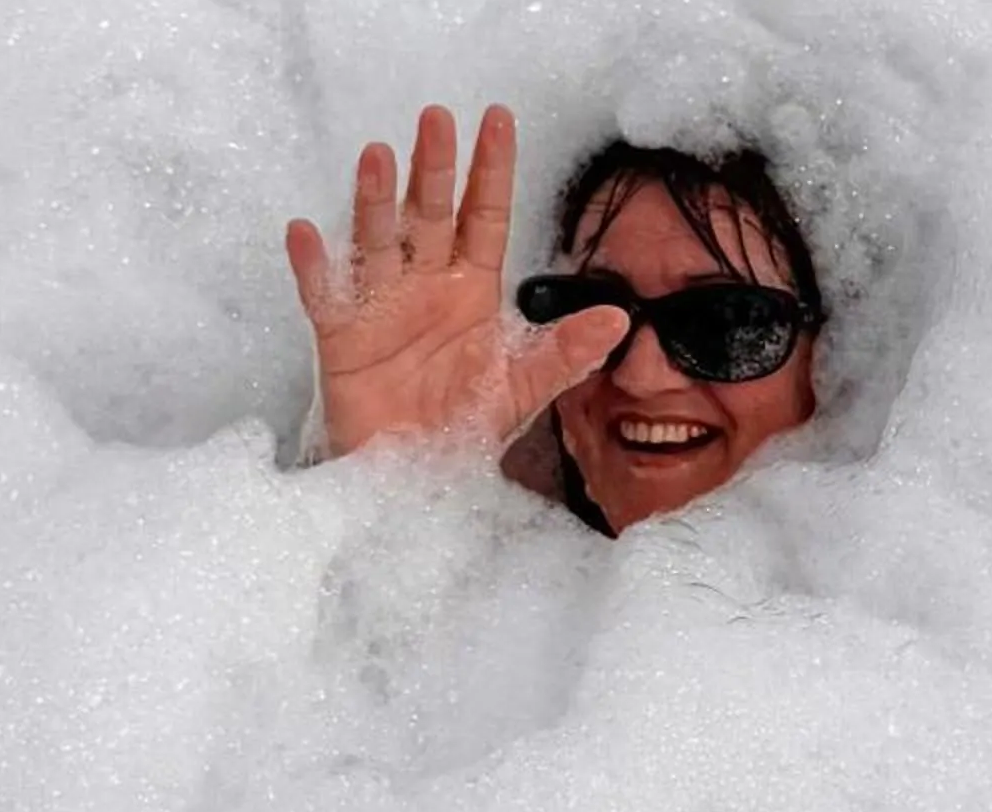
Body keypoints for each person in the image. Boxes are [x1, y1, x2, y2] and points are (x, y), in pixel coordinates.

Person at [284, 105, 823, 533]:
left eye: (726, 321)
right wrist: (393, 487)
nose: (641, 376)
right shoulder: (490, 601)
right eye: (588, 307)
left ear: (835, 362)